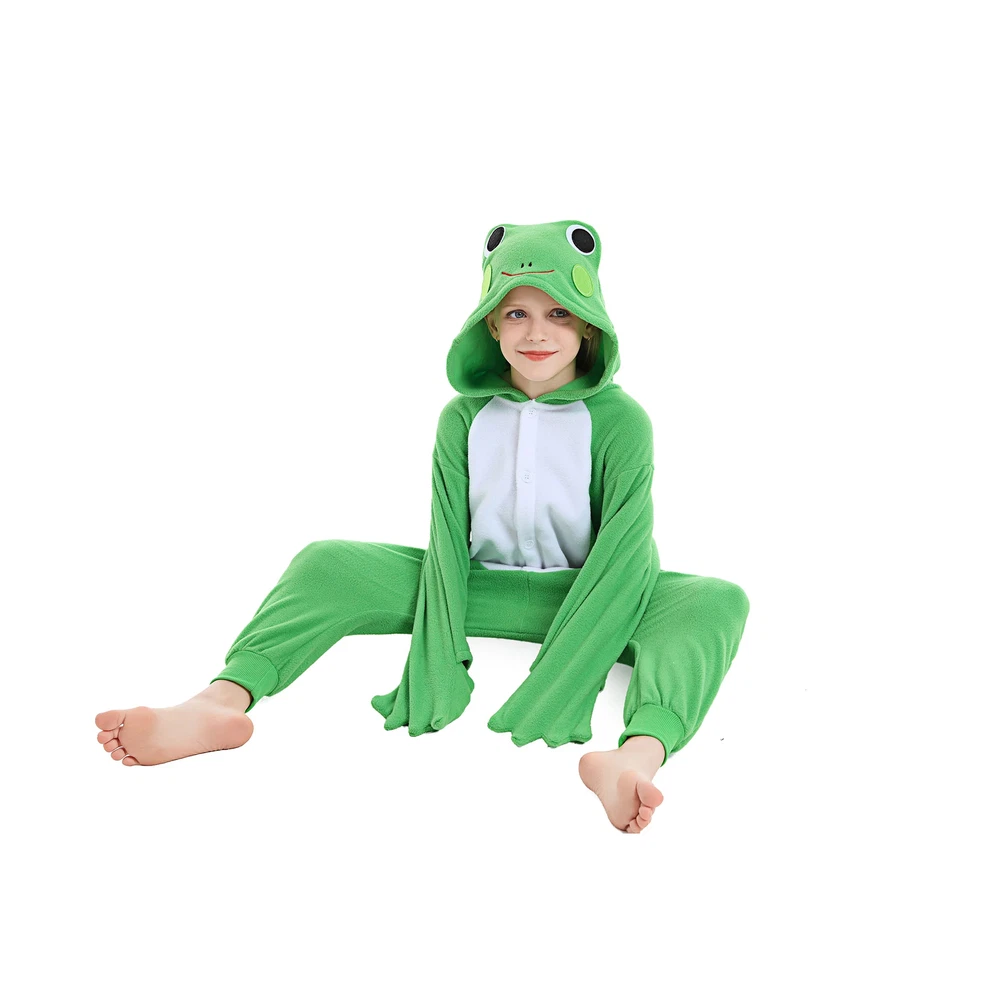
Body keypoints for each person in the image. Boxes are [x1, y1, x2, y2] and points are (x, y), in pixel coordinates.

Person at [95, 219, 750, 834]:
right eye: (516, 313)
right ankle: (220, 702)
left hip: (595, 592)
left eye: (558, 314)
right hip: (472, 586)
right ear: (491, 323)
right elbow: (446, 535)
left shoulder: (620, 421)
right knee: (326, 561)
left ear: (588, 326)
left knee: (714, 602)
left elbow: (626, 548)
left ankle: (634, 757)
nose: (536, 333)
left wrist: (577, 654)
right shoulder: (462, 418)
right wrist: (439, 637)